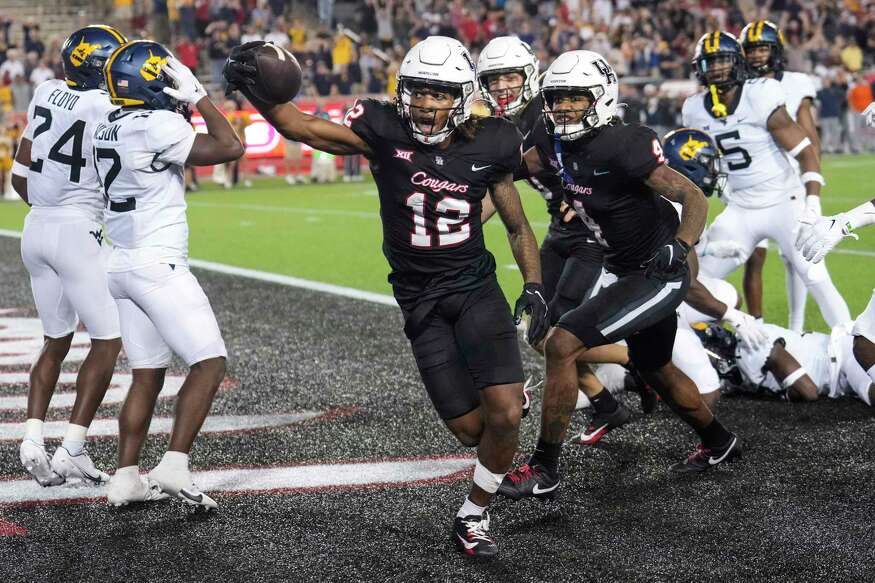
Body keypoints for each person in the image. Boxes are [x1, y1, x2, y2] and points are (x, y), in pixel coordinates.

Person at [225, 36, 548, 557]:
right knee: (471, 431)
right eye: (418, 91)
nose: (425, 103)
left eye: (439, 93)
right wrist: (255, 90)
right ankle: (502, 403)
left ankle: (473, 515)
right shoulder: (382, 128)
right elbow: (299, 125)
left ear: (462, 96)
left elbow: (515, 224)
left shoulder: (492, 141)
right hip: (417, 297)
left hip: (473, 287)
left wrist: (533, 285)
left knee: (505, 413)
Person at [497, 50, 740, 505]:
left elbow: (693, 198)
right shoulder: (552, 140)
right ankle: (719, 441)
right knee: (656, 368)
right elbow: (512, 166)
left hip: (659, 269)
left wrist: (680, 245)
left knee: (561, 343)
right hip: (626, 267)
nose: (565, 107)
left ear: (602, 97)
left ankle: (545, 469)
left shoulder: (623, 144)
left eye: (576, 98)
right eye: (558, 98)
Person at [95, 40, 244, 508]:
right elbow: (229, 146)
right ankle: (175, 464)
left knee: (146, 375)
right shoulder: (157, 124)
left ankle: (125, 477)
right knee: (209, 362)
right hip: (155, 262)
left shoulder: (107, 123)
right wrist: (198, 95)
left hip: (118, 261)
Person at [476, 36, 645, 441]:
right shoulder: (505, 126)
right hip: (560, 232)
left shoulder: (549, 109)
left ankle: (641, 362)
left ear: (529, 74)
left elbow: (611, 137)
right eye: (494, 81)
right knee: (537, 332)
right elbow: (499, 188)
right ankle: (609, 404)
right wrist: (462, 220)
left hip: (591, 233)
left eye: (510, 77)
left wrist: (590, 192)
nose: (502, 88)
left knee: (557, 334)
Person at [10, 25, 128, 487]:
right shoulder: (107, 106)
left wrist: (50, 207)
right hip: (79, 229)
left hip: (37, 226)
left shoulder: (44, 91)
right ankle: (72, 449)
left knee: (55, 340)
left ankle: (32, 440)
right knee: (108, 339)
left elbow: (21, 176)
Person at [682, 31, 850, 330]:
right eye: (711, 62)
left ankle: (852, 346)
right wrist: (705, 240)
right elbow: (702, 168)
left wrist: (812, 201)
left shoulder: (761, 94)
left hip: (784, 202)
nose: (718, 68)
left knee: (814, 275)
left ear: (737, 62)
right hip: (740, 208)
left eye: (723, 60)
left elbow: (805, 152)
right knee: (695, 279)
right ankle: (713, 341)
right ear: (700, 68)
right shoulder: (693, 109)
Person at [739, 20, 821, 331]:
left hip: (793, 180)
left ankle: (796, 327)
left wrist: (814, 183)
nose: (757, 56)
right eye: (752, 50)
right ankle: (757, 324)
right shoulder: (740, 85)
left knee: (797, 258)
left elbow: (811, 137)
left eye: (763, 48)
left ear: (775, 51)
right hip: (754, 181)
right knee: (754, 257)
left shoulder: (797, 82)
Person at [697, 320, 874, 406]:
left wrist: (789, 392)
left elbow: (808, 391)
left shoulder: (750, 348)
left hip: (844, 355)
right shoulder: (739, 363)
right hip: (837, 369)